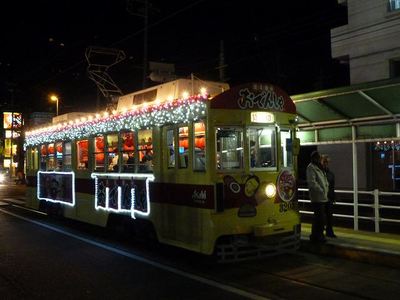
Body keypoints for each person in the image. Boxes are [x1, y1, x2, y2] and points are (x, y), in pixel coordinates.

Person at [306, 150, 329, 243]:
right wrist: (322, 191)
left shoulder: (318, 167)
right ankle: (318, 236)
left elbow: (323, 180)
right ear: (315, 158)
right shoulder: (311, 168)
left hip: (322, 197)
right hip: (317, 197)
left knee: (318, 217)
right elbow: (312, 183)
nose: (320, 159)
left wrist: (325, 190)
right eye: (319, 157)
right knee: (320, 218)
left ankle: (315, 236)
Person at [321, 155, 337, 238]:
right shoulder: (320, 173)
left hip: (329, 198)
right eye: (324, 162)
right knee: (322, 216)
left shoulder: (330, 174)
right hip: (321, 198)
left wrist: (333, 197)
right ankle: (322, 233)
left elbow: (332, 187)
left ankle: (329, 232)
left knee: (329, 216)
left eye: (327, 162)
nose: (326, 164)